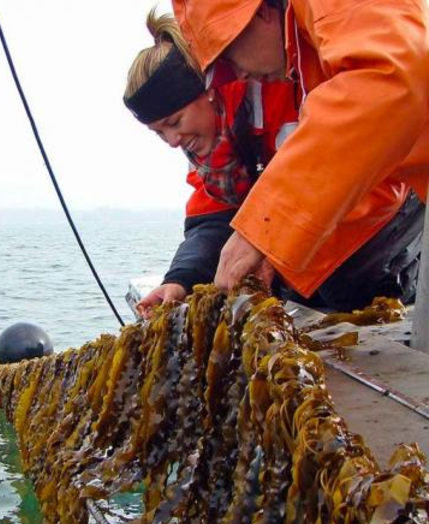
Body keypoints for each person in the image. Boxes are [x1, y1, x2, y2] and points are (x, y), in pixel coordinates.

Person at [171, 0, 429, 305]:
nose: (237, 75)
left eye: (228, 54)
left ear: (261, 13)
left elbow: (391, 79)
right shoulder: (305, 48)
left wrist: (264, 232)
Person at [124, 10, 300, 316]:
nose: (173, 141)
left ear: (206, 92)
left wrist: (269, 244)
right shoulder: (210, 157)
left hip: (372, 259)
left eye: (174, 121)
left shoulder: (276, 90)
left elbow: (319, 186)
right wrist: (179, 280)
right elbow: (212, 222)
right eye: (159, 132)